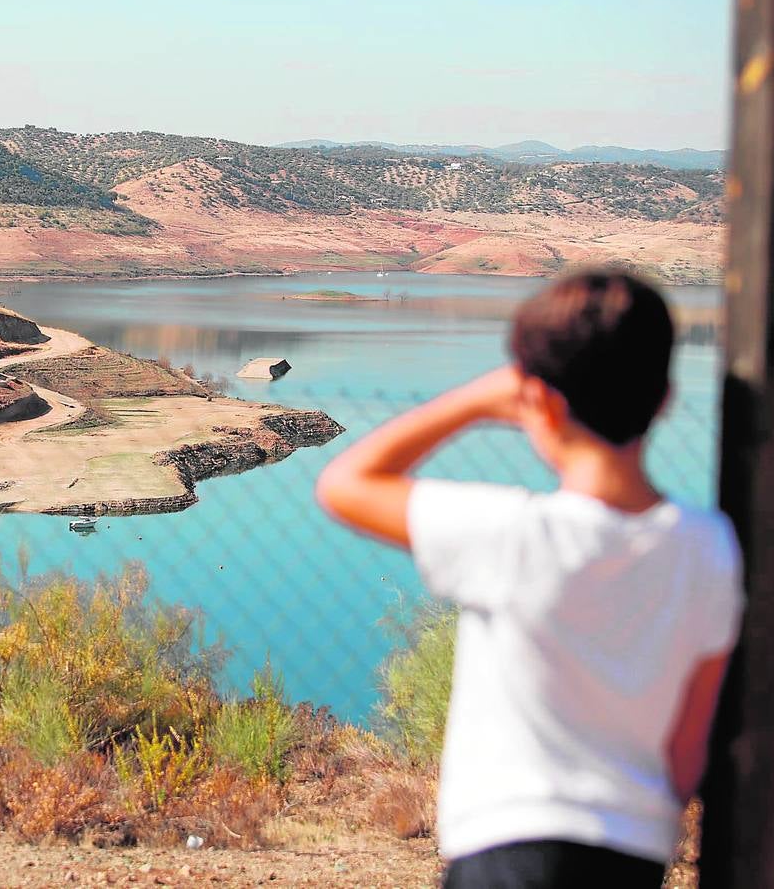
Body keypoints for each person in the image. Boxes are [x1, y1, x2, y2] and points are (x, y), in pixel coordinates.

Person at [315, 270, 743, 887]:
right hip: (634, 855)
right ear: (666, 399)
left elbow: (344, 485)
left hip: (507, 850)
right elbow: (684, 759)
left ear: (537, 401)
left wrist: (475, 400)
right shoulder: (710, 549)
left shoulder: (513, 536)